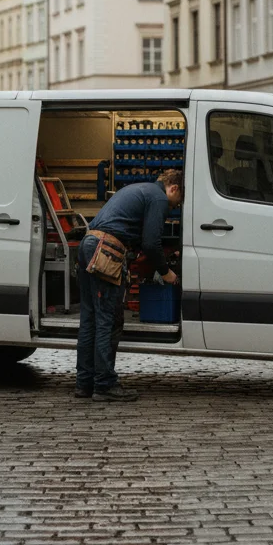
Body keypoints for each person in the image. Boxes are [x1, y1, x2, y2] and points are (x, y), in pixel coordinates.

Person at [75, 168, 183, 402]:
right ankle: (104, 385)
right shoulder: (159, 198)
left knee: (89, 318)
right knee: (108, 320)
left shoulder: (138, 189)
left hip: (88, 244)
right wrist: (167, 273)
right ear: (173, 188)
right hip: (106, 251)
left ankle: (84, 383)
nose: (175, 207)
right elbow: (152, 243)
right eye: (178, 201)